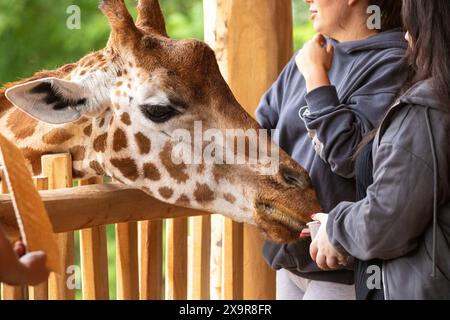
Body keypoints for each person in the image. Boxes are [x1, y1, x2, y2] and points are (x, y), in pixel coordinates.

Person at [256, 0, 407, 299]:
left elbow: (350, 155)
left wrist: (315, 75)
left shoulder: (395, 63)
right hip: (289, 262)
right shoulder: (310, 53)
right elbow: (261, 132)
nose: (307, 1)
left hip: (343, 272)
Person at [310, 0, 450, 300]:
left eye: (410, 24)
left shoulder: (426, 109)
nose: (404, 34)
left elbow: (387, 219)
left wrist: (336, 228)